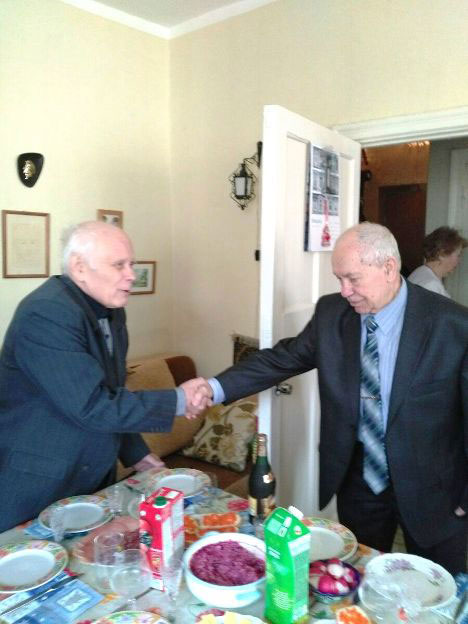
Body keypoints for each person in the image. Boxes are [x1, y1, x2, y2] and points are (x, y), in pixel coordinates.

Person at [186, 222, 467, 574]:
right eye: (339, 279)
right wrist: (213, 387)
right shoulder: (332, 313)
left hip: (437, 492)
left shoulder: (453, 325)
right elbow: (281, 359)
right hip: (360, 482)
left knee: (437, 588)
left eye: (353, 279)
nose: (345, 291)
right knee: (360, 579)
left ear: (389, 268)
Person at [0, 221, 209, 532]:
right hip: (39, 482)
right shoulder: (46, 313)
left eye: (132, 264)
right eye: (119, 265)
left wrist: (138, 454)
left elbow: (111, 391)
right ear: (79, 268)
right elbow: (92, 405)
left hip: (92, 476)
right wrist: (179, 399)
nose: (131, 275)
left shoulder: (111, 309)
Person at [408, 226, 467, 298]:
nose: (459, 261)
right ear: (442, 254)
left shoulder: (420, 272)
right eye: (458, 255)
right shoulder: (431, 285)